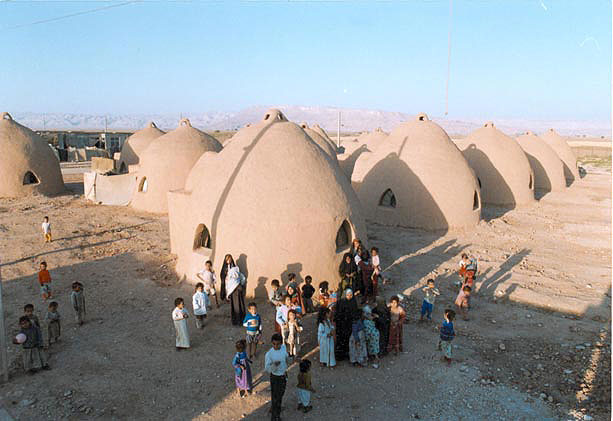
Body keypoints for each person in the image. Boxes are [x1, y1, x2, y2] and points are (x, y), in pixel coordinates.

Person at [265, 333, 290, 421]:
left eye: (278, 344)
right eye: (274, 344)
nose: (276, 346)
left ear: (281, 343)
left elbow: (287, 358)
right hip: (275, 377)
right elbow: (267, 368)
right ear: (272, 343)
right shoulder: (269, 354)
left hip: (283, 375)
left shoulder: (283, 348)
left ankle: (274, 408)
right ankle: (275, 417)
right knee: (277, 398)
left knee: (280, 394)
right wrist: (274, 365)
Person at [334, 289, 358, 360]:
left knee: (348, 339)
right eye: (348, 295)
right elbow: (337, 313)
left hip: (349, 324)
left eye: (351, 295)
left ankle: (348, 354)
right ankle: (340, 355)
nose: (349, 297)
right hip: (341, 324)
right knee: (341, 339)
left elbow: (355, 312)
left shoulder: (353, 302)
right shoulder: (341, 302)